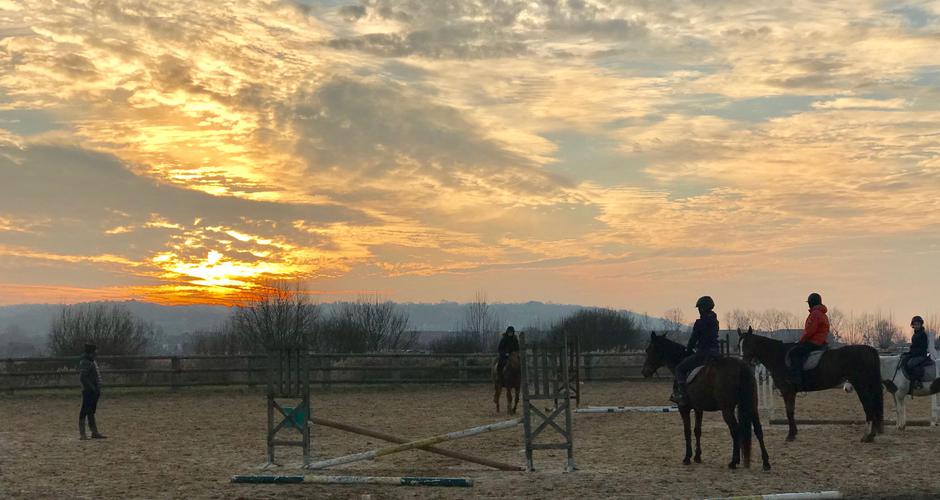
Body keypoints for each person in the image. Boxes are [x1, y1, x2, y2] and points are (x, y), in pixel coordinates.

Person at [671, 296, 720, 406]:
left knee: (680, 368)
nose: (698, 310)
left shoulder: (700, 322)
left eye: (699, 308)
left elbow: (694, 338)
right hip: (716, 353)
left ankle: (683, 396)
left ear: (702, 308)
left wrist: (688, 350)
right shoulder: (715, 321)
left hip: (703, 354)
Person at [787, 293, 830, 388]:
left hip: (814, 342)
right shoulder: (823, 314)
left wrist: (801, 341)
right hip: (821, 342)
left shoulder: (815, 314)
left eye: (809, 303)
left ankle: (796, 378)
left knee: (795, 353)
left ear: (811, 303)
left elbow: (810, 331)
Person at [79, 343, 106, 440]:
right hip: (89, 390)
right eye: (95, 351)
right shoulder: (86, 362)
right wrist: (92, 387)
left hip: (94, 390)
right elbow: (83, 377)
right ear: (91, 352)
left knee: (91, 411)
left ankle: (94, 432)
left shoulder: (91, 361)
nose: (96, 353)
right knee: (85, 410)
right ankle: (82, 433)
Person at [903, 316, 929, 390]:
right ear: (913, 325)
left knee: (910, 364)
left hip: (921, 355)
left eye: (918, 324)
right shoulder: (914, 335)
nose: (916, 326)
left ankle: (918, 381)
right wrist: (908, 353)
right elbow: (913, 347)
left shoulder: (923, 334)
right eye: (915, 324)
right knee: (904, 360)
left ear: (921, 325)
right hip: (915, 354)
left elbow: (923, 348)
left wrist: (912, 354)